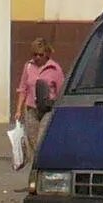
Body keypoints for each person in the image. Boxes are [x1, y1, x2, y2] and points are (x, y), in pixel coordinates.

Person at [12, 39, 62, 171]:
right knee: (33, 142)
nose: (37, 58)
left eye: (40, 54)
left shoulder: (55, 68)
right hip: (31, 110)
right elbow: (23, 89)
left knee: (42, 142)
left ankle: (46, 169)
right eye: (35, 54)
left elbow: (60, 91)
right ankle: (37, 171)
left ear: (47, 53)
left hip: (47, 110)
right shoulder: (28, 66)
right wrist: (18, 110)